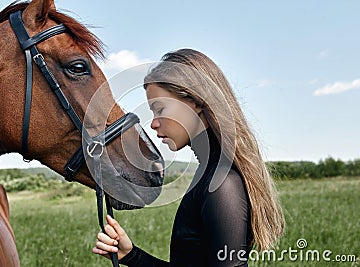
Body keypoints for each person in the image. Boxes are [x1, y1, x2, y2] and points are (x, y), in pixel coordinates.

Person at [92, 48, 285, 266]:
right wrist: (132, 256)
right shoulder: (210, 175)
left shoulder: (222, 184)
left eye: (160, 108)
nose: (154, 123)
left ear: (196, 101)